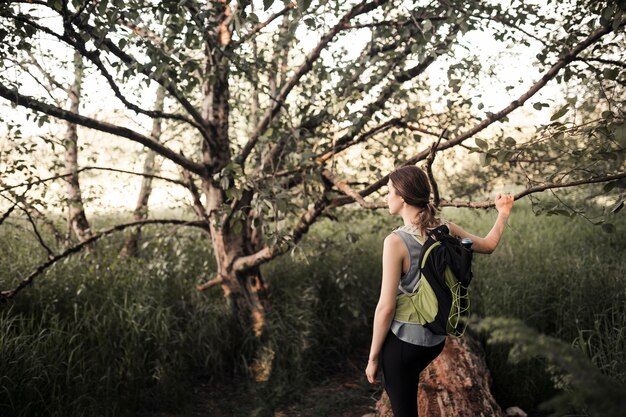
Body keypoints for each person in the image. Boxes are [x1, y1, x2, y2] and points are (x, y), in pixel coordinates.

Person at [365, 165, 514, 417]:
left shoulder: (395, 242)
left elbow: (386, 307)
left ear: (402, 196)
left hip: (404, 343)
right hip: (434, 339)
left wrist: (373, 357)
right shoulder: (445, 229)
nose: (386, 197)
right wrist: (503, 212)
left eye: (388, 191)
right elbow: (488, 246)